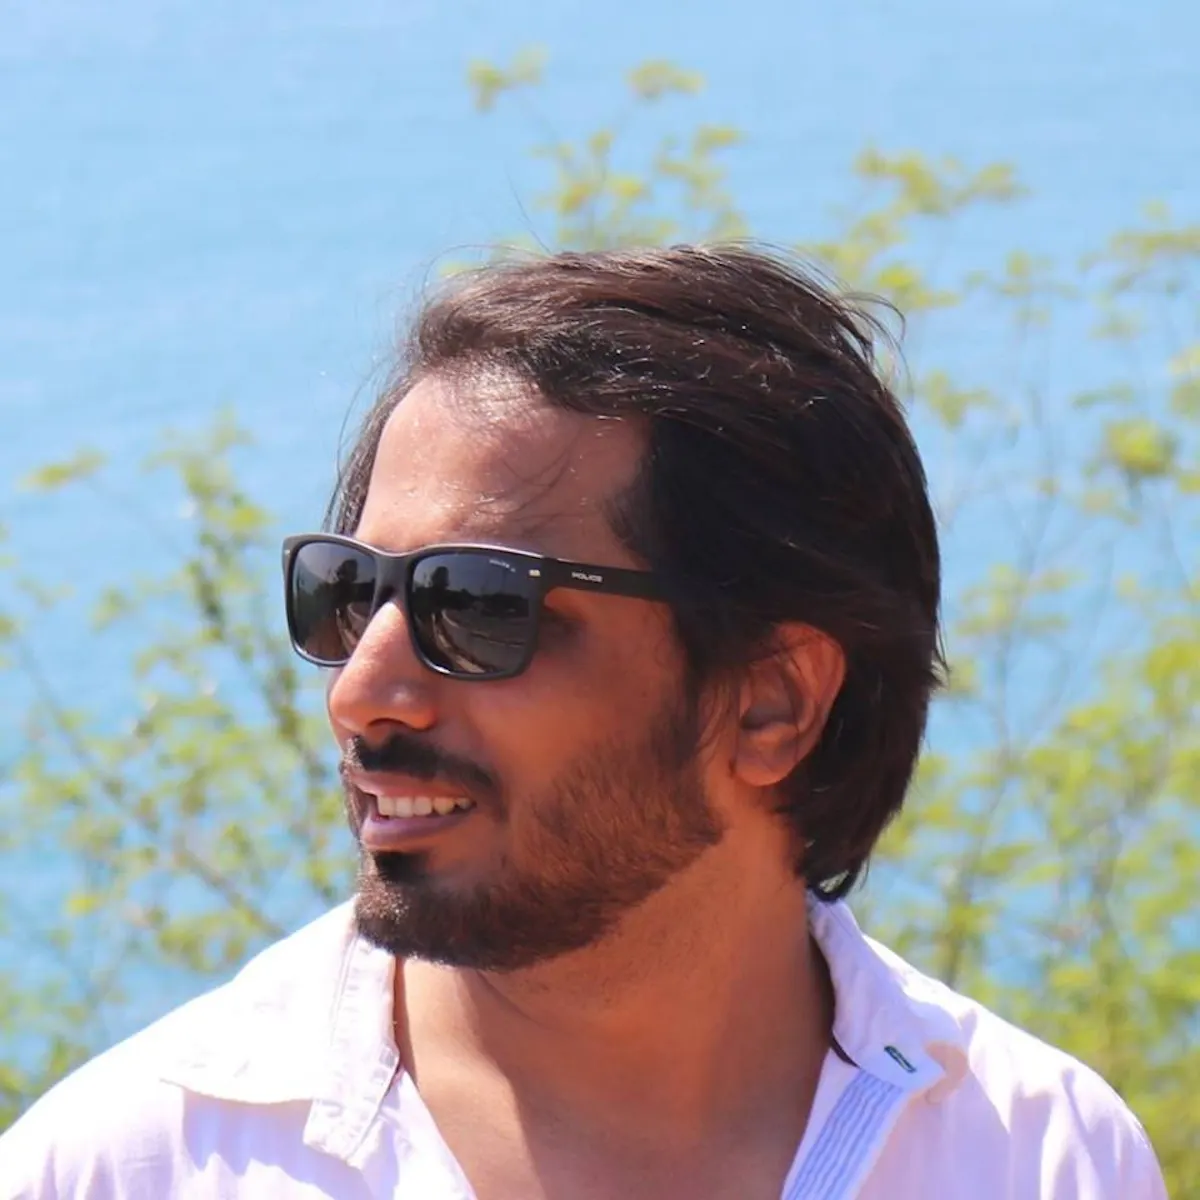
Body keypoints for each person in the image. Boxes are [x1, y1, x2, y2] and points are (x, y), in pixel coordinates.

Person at [0, 246, 1168, 1199]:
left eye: (477, 605)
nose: (362, 689)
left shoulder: (1041, 1162)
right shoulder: (125, 1170)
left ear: (772, 699)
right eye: (349, 592)